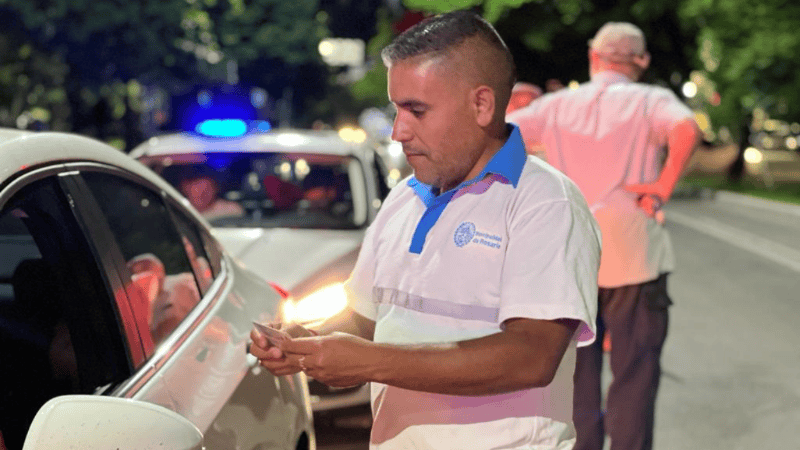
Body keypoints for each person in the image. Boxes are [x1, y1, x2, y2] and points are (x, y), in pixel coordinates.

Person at [251, 10, 601, 450]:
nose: (398, 131)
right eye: (397, 110)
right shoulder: (404, 198)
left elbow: (531, 357)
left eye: (416, 110)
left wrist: (371, 362)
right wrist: (311, 344)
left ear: (482, 104)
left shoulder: (545, 203)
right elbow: (367, 318)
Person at [507, 21, 702, 450]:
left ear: (594, 57)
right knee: (635, 374)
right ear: (642, 60)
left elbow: (501, 131)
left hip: (568, 260)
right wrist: (663, 185)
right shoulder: (652, 100)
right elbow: (687, 130)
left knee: (575, 377)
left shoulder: (556, 107)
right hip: (634, 255)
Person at [179, 171, 244, 220]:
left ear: (215, 189)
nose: (202, 195)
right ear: (186, 188)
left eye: (206, 190)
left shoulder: (231, 210)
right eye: (197, 190)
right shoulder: (179, 212)